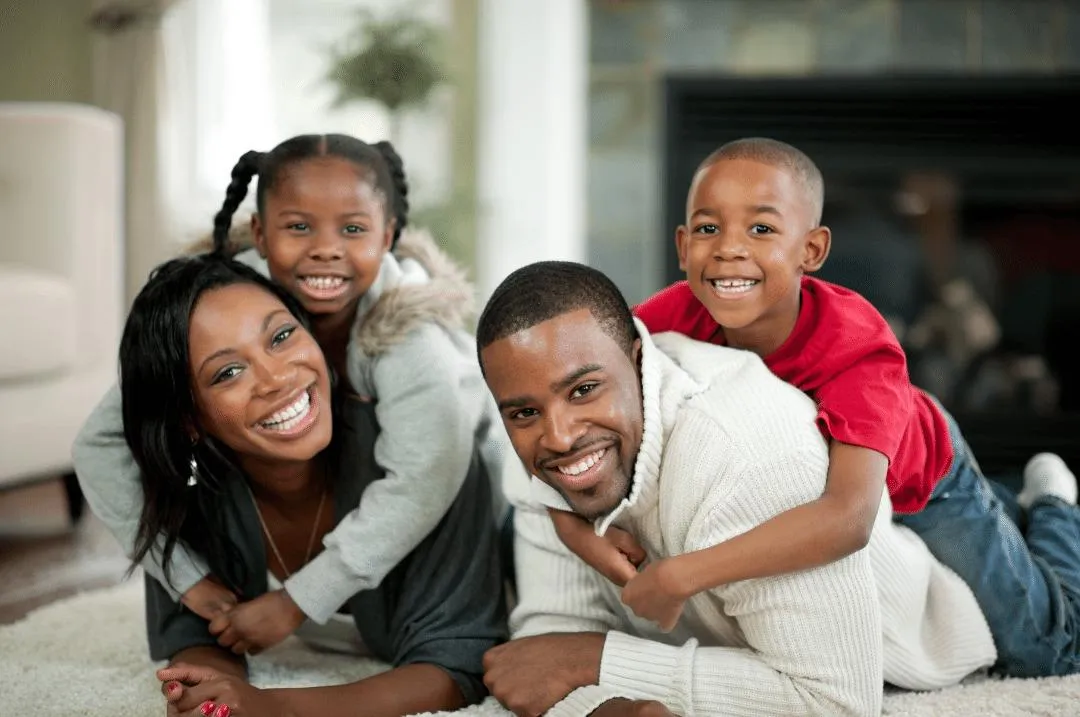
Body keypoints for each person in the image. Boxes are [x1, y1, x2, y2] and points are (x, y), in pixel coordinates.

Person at [549, 137, 1080, 678]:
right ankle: (1009, 506)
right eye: (709, 228)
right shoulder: (668, 317)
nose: (730, 248)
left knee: (1046, 650)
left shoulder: (859, 347)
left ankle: (1052, 503)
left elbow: (849, 519)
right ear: (683, 246)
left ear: (812, 250)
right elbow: (558, 398)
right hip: (838, 478)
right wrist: (578, 534)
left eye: (761, 228)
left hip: (926, 485)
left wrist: (680, 576)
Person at [475, 260, 997, 716]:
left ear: (638, 360)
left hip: (920, 618)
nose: (559, 435)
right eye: (524, 412)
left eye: (585, 390)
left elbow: (835, 701)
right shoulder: (540, 452)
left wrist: (596, 660)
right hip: (740, 623)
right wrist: (610, 708)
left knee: (1061, 621)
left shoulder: (747, 455)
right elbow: (544, 652)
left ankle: (1051, 502)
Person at [73, 134, 514, 654]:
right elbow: (101, 442)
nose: (325, 248)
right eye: (298, 226)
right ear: (259, 234)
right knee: (183, 452)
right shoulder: (224, 305)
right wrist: (185, 576)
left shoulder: (407, 336)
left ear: (388, 235)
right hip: (372, 485)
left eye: (353, 228)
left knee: (512, 613)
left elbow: (427, 477)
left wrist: (299, 600)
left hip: (480, 491)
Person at [118, 254, 505, 717]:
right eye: (227, 372)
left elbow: (458, 666)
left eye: (281, 336)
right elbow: (196, 636)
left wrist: (276, 706)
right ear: (189, 421)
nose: (276, 379)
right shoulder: (187, 487)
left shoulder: (421, 458)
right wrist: (211, 691)